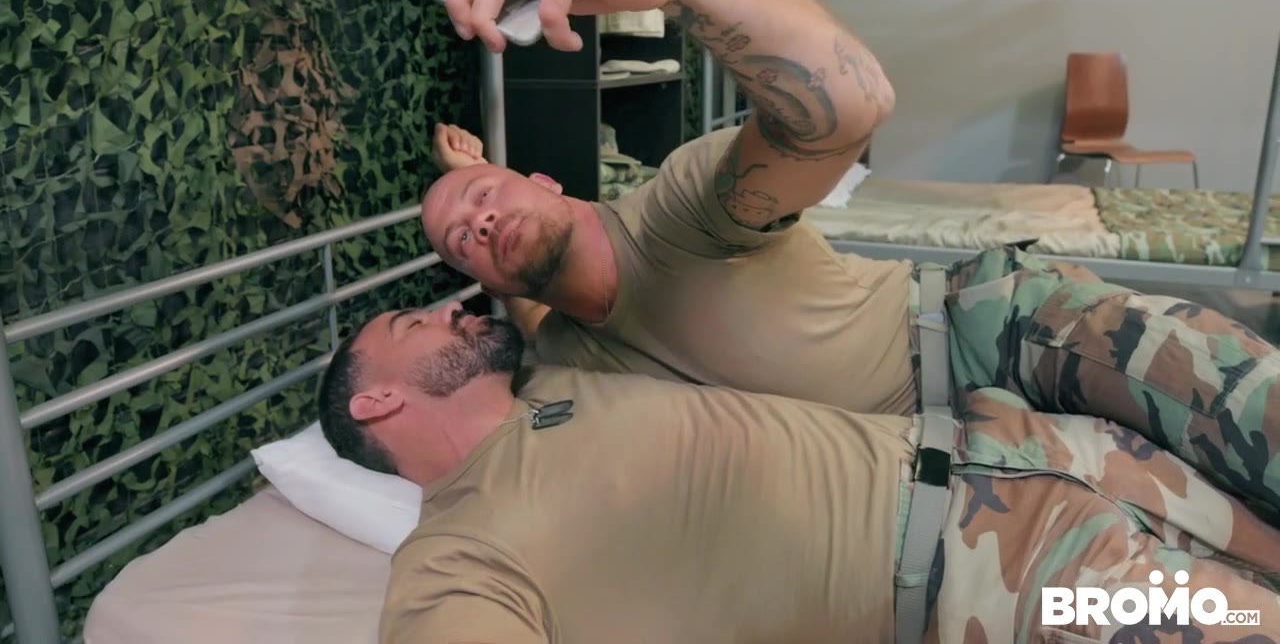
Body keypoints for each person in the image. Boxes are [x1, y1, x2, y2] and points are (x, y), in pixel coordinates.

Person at [402, 0, 1280, 529]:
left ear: (546, 179)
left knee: (1253, 418)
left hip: (991, 336)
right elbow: (528, 308)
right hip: (955, 470)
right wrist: (463, 173)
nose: (477, 223)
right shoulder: (562, 351)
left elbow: (848, 108)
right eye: (458, 240)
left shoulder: (679, 208)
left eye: (485, 196)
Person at [316, 301, 1280, 644]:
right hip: (1026, 582)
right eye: (412, 324)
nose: (447, 311)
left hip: (1065, 454)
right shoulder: (455, 556)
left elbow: (543, 278)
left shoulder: (558, 380)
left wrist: (474, 183)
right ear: (376, 402)